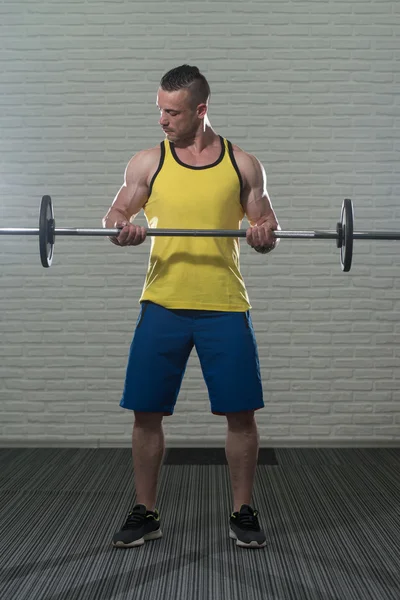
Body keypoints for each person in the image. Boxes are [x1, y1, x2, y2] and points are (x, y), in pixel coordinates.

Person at [102, 65, 280, 550]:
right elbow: (116, 213)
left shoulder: (242, 163)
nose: (162, 119)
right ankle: (146, 511)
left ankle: (243, 511)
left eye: (172, 112)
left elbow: (265, 224)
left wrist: (264, 234)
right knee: (146, 412)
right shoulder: (148, 162)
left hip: (224, 304)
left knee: (241, 413)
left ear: (200, 111)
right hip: (163, 304)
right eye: (159, 109)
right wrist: (125, 228)